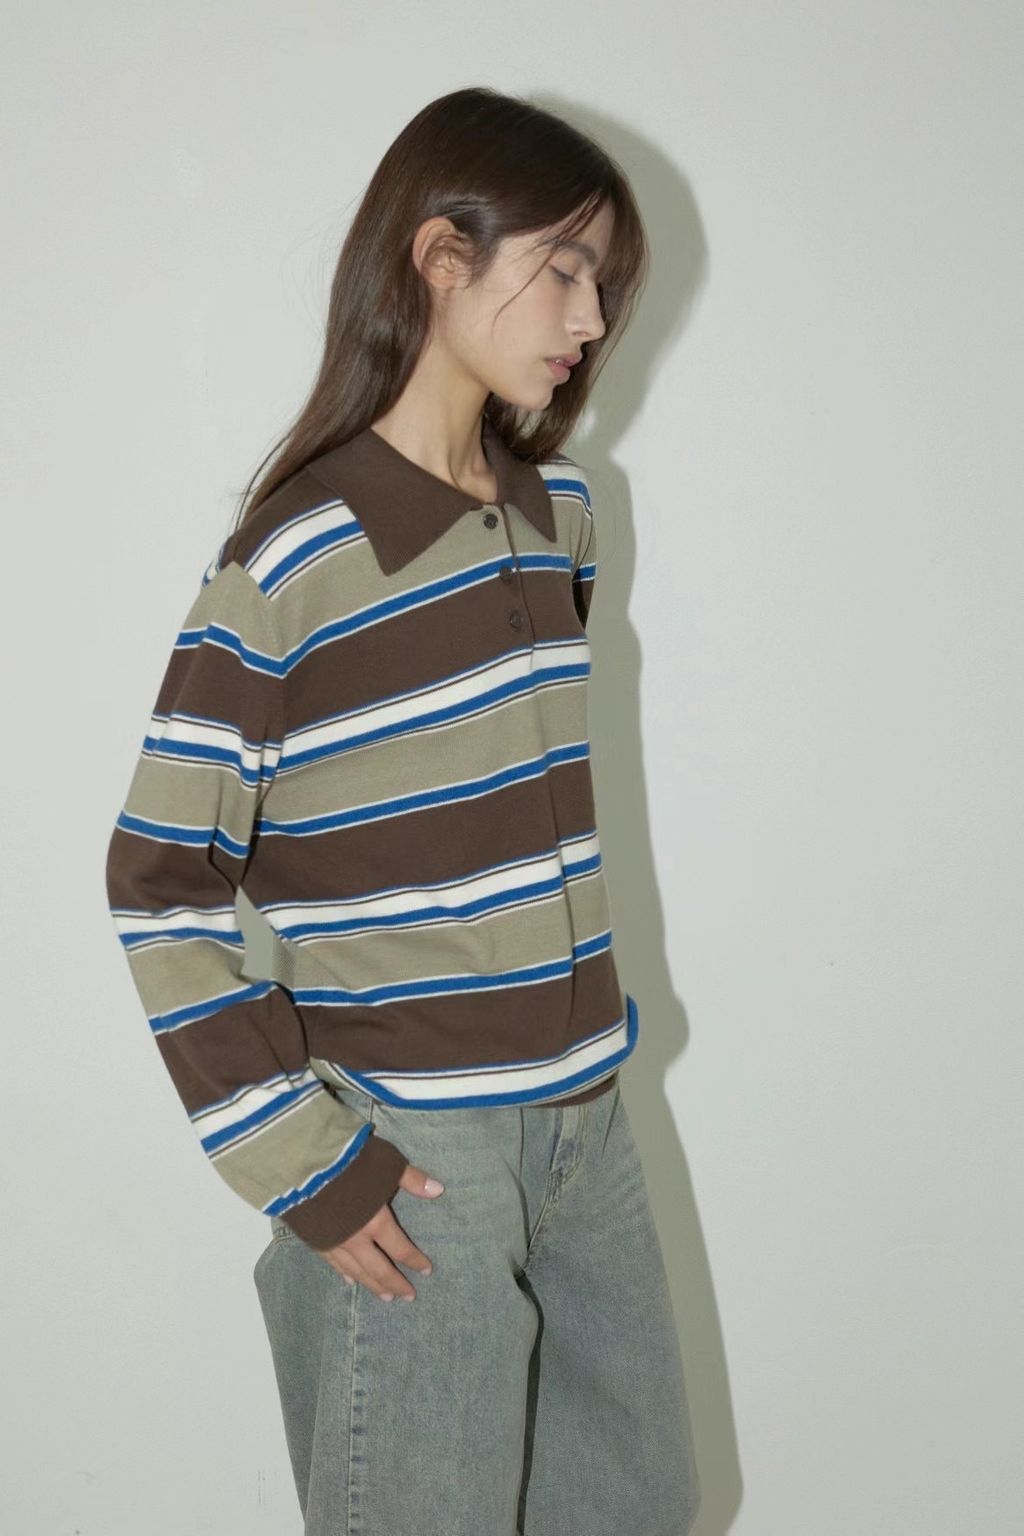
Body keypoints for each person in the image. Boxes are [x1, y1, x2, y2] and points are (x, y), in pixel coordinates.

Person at [105, 85, 700, 1536]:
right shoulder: (298, 556)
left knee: (637, 1507)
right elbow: (159, 877)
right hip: (421, 1157)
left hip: (588, 1127)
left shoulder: (562, 516)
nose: (591, 318)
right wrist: (298, 1159)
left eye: (604, 285)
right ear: (440, 255)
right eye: (564, 270)